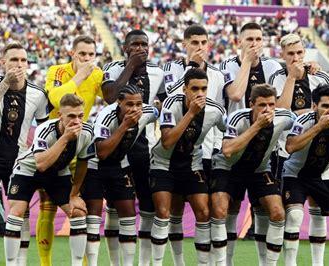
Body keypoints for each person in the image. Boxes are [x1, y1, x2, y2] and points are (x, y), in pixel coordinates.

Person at [0, 42, 49, 266]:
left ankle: (18, 263)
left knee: (19, 211)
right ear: (3, 62)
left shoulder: (38, 94)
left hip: (19, 163)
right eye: (14, 59)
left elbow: (45, 128)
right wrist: (6, 82)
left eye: (23, 60)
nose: (19, 64)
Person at [218, 22, 284, 264]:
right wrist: (246, 61)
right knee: (230, 209)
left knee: (266, 209)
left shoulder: (273, 66)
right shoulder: (228, 65)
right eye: (249, 39)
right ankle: (228, 262)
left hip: (265, 150)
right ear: (239, 42)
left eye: (258, 39)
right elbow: (235, 94)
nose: (254, 44)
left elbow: (283, 102)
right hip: (236, 143)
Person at [4, 94, 94, 266]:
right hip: (28, 171)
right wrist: (66, 138)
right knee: (16, 213)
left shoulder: (87, 132)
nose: (76, 121)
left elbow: (83, 163)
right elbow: (41, 164)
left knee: (78, 213)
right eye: (71, 116)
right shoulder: (45, 130)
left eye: (80, 116)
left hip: (58, 174)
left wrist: (74, 194)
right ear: (60, 115)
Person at [210, 84, 295, 266]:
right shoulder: (237, 118)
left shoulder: (284, 117)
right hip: (228, 168)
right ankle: (222, 263)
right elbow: (227, 150)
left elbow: (304, 121)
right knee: (221, 211)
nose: (268, 109)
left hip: (259, 169)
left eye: (271, 105)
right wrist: (257, 126)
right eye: (262, 105)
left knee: (278, 212)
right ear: (251, 104)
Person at [101, 29, 166, 266]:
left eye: (144, 44)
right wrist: (130, 67)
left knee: (148, 208)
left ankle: (144, 262)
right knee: (115, 209)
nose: (141, 48)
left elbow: (164, 101)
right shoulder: (113, 69)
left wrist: (159, 104)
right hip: (116, 149)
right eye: (135, 45)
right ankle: (115, 263)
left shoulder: (158, 72)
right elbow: (109, 96)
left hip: (145, 150)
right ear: (126, 48)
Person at [149, 68, 227, 266]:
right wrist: (191, 113)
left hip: (193, 164)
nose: (200, 93)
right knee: (165, 212)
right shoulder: (170, 104)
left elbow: (229, 129)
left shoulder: (215, 110)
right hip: (163, 163)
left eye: (204, 88)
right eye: (194, 89)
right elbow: (167, 142)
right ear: (184, 89)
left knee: (203, 212)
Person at [162, 24, 225, 265]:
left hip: (208, 150)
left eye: (203, 43)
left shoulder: (218, 75)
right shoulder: (171, 69)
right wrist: (190, 68)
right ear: (185, 45)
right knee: (176, 207)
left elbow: (220, 112)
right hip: (179, 150)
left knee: (206, 209)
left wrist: (220, 145)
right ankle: (179, 261)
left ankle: (208, 261)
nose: (199, 47)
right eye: (194, 43)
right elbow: (170, 98)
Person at [38, 35, 104, 266]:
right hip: (53, 143)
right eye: (82, 54)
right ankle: (45, 263)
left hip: (78, 145)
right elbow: (56, 99)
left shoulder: (97, 75)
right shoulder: (58, 71)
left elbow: (112, 97)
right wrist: (79, 76)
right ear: (73, 53)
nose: (87, 58)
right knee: (48, 206)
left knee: (80, 209)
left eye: (91, 55)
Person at [269, 33, 329, 262]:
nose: (295, 57)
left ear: (304, 53)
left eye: (299, 53)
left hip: (317, 153)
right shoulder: (277, 77)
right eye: (290, 54)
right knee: (291, 214)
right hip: (286, 152)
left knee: (319, 210)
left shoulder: (320, 76)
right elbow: (280, 113)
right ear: (282, 55)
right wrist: (291, 79)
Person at [83, 85, 159, 266]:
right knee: (93, 216)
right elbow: (101, 152)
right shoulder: (106, 117)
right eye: (129, 104)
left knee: (128, 212)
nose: (134, 109)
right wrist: (125, 125)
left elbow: (157, 111)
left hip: (120, 164)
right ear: (119, 103)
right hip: (95, 165)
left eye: (138, 104)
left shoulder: (146, 112)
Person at [283, 84, 329, 266]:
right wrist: (319, 127)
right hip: (295, 175)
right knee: (294, 217)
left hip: (323, 175)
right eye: (325, 106)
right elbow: (290, 146)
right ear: (315, 106)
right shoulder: (304, 121)